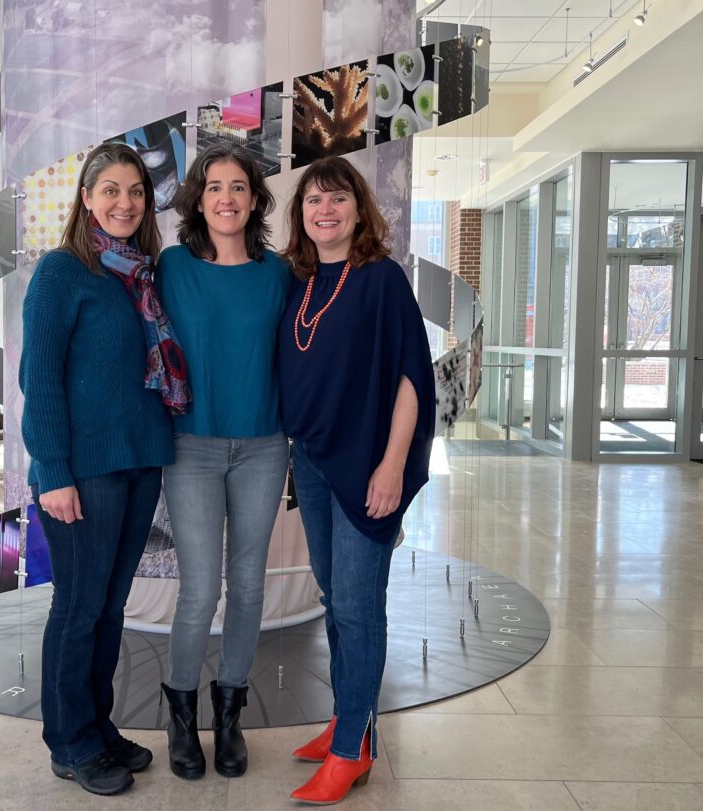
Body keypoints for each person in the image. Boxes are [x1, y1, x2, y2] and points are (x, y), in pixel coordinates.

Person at [20, 143, 189, 797]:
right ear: (86, 197)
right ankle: (70, 742)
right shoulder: (63, 273)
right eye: (111, 190)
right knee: (79, 605)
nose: (125, 202)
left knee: (110, 607)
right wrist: (53, 470)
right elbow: (41, 380)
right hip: (83, 471)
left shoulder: (142, 275)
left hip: (141, 460)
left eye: (136, 191)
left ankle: (97, 724)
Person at [277, 156, 435, 805]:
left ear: (357, 208)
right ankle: (351, 720)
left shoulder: (381, 280)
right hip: (311, 460)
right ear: (302, 214)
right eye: (314, 200)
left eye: (337, 198)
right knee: (336, 599)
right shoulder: (302, 280)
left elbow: (411, 379)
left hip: (368, 463)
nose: (325, 209)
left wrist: (393, 464)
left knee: (358, 605)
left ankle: (350, 751)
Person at [156, 144, 290, 780]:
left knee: (248, 585)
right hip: (192, 447)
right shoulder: (172, 267)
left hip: (265, 445)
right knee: (201, 589)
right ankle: (182, 722)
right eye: (215, 187)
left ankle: (229, 717)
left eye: (240, 186)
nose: (228, 197)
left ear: (256, 199)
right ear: (198, 198)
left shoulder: (279, 273)